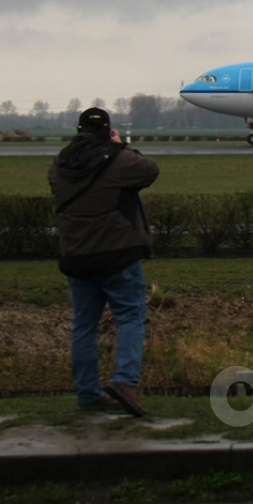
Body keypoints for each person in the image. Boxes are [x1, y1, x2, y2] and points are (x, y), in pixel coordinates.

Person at [47, 108, 159, 417]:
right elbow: (149, 170)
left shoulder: (59, 164)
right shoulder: (118, 159)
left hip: (76, 254)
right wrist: (121, 146)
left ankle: (87, 393)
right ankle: (125, 380)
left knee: (83, 326)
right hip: (116, 252)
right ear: (107, 130)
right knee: (130, 317)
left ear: (79, 129)